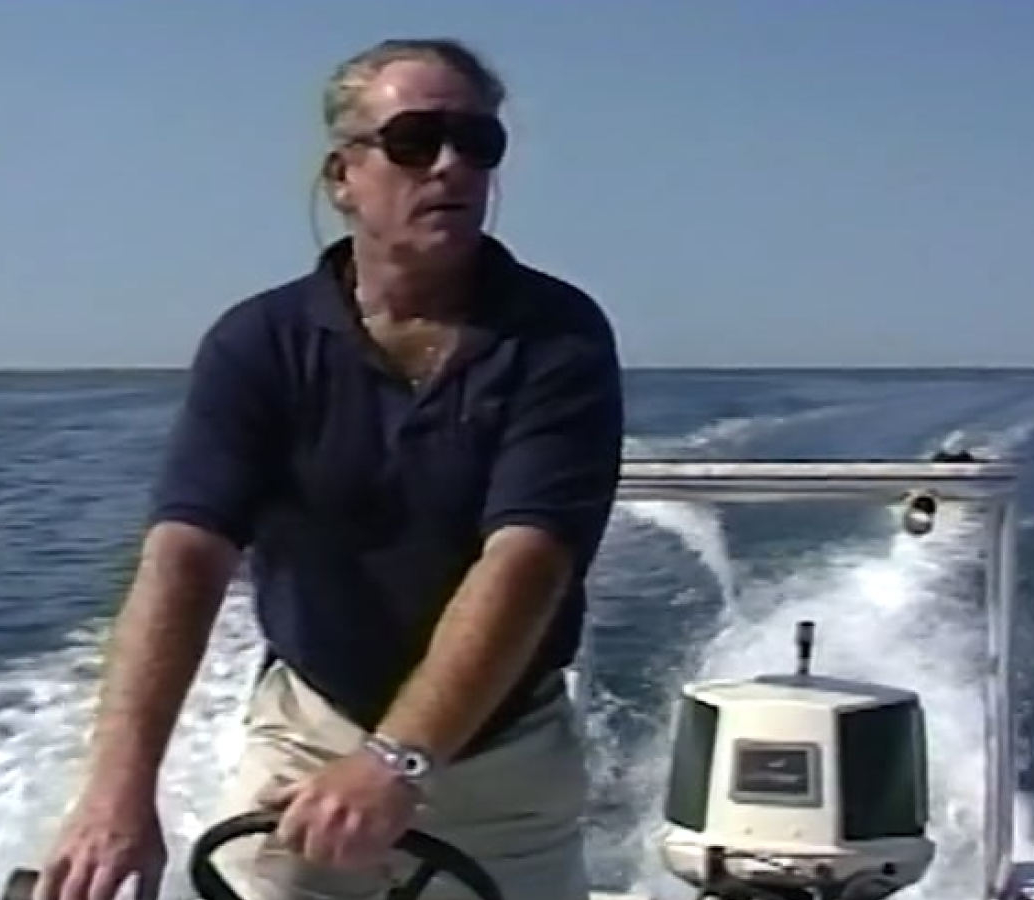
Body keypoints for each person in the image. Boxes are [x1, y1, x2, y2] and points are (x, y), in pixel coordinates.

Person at [32, 36, 624, 900]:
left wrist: (396, 760)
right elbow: (185, 556)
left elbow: (527, 562)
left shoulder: (557, 336)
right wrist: (117, 796)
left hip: (502, 765)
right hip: (311, 736)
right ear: (343, 175)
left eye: (477, 142)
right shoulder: (258, 344)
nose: (452, 166)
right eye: (415, 141)